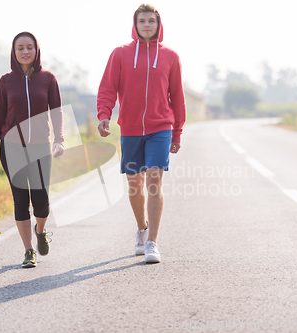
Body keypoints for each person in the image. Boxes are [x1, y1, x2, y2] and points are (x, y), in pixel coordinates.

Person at [97, 4, 186, 263]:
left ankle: (152, 243)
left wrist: (177, 131)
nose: (147, 25)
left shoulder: (170, 57)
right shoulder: (120, 54)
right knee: (135, 184)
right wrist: (104, 115)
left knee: (154, 182)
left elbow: (177, 97)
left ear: (159, 24)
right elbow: (107, 89)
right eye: (142, 21)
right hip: (131, 129)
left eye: (151, 21)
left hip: (160, 128)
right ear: (134, 25)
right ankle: (141, 228)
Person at [0, 31, 64, 268]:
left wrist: (59, 139)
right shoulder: (6, 81)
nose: (25, 51)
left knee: (41, 200)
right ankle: (28, 250)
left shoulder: (48, 79)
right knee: (20, 199)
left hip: (40, 147)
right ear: (14, 51)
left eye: (29, 47)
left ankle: (40, 231)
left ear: (36, 50)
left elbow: (57, 111)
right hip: (12, 148)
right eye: (20, 48)